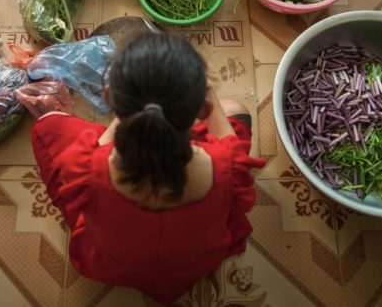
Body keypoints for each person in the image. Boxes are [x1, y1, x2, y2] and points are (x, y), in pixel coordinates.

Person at [30, 32, 265, 304]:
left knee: (49, 124)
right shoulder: (227, 168)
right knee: (236, 109)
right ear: (202, 108)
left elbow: (91, 154)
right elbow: (231, 145)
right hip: (194, 263)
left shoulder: (86, 170)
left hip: (113, 264)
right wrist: (205, 90)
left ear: (109, 98)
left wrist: (126, 109)